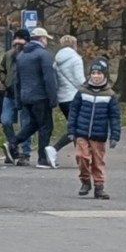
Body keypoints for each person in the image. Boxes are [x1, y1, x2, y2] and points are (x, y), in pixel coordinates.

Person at [3, 26, 58, 168]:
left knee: (33, 124)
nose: (46, 41)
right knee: (46, 126)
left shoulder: (22, 55)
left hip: (26, 96)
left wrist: (19, 100)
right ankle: (42, 158)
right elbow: (48, 78)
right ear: (42, 39)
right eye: (46, 39)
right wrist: (53, 98)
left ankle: (12, 143)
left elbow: (17, 79)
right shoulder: (43, 55)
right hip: (40, 96)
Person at [67, 58, 121, 200]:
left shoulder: (110, 95)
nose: (96, 76)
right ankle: (85, 180)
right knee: (81, 156)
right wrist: (71, 130)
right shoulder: (82, 92)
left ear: (105, 75)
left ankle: (99, 186)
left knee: (97, 161)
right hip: (82, 132)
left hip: (99, 134)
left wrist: (115, 136)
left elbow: (114, 117)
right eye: (94, 73)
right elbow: (74, 111)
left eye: (99, 73)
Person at [46, 34, 86, 168]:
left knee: (75, 126)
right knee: (78, 127)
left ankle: (81, 157)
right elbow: (80, 80)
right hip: (74, 97)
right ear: (75, 44)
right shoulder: (75, 59)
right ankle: (55, 149)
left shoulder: (56, 60)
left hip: (63, 98)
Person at [0, 29, 32, 166]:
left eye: (21, 39)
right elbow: (1, 70)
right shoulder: (8, 55)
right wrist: (5, 81)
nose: (18, 42)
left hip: (25, 95)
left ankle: (25, 153)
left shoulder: (30, 56)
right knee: (5, 120)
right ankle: (13, 147)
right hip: (10, 94)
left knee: (26, 124)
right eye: (16, 39)